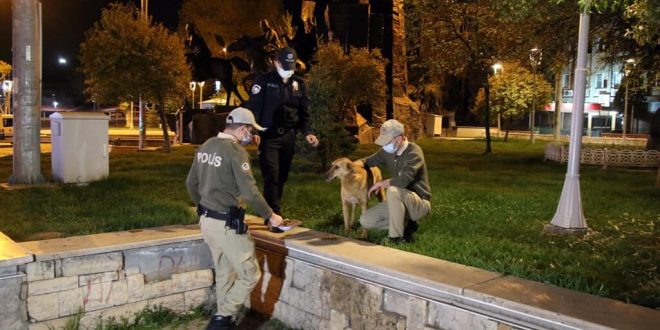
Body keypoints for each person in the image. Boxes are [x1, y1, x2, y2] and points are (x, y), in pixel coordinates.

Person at [186, 107, 283, 329]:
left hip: (207, 222)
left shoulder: (206, 145)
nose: (252, 135)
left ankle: (224, 319)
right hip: (227, 224)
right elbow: (249, 191)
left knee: (224, 273)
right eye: (250, 130)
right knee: (250, 274)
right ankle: (221, 319)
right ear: (241, 128)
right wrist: (270, 215)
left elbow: (191, 184)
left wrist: (203, 204)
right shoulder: (236, 151)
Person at [245, 47, 319, 223]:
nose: (288, 69)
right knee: (271, 174)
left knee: (281, 176)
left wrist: (307, 131)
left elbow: (303, 111)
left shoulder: (299, 84)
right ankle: (274, 216)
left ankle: (270, 211)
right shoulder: (263, 81)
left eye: (291, 65)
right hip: (268, 136)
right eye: (285, 65)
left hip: (289, 136)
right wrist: (254, 130)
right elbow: (253, 107)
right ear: (276, 62)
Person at [355, 119, 432, 243]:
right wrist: (350, 166)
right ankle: (405, 224)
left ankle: (396, 237)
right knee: (366, 220)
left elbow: (403, 180)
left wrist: (381, 183)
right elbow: (367, 161)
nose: (385, 146)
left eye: (387, 141)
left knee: (392, 189)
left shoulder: (414, 152)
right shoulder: (387, 151)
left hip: (419, 204)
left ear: (399, 138)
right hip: (397, 200)